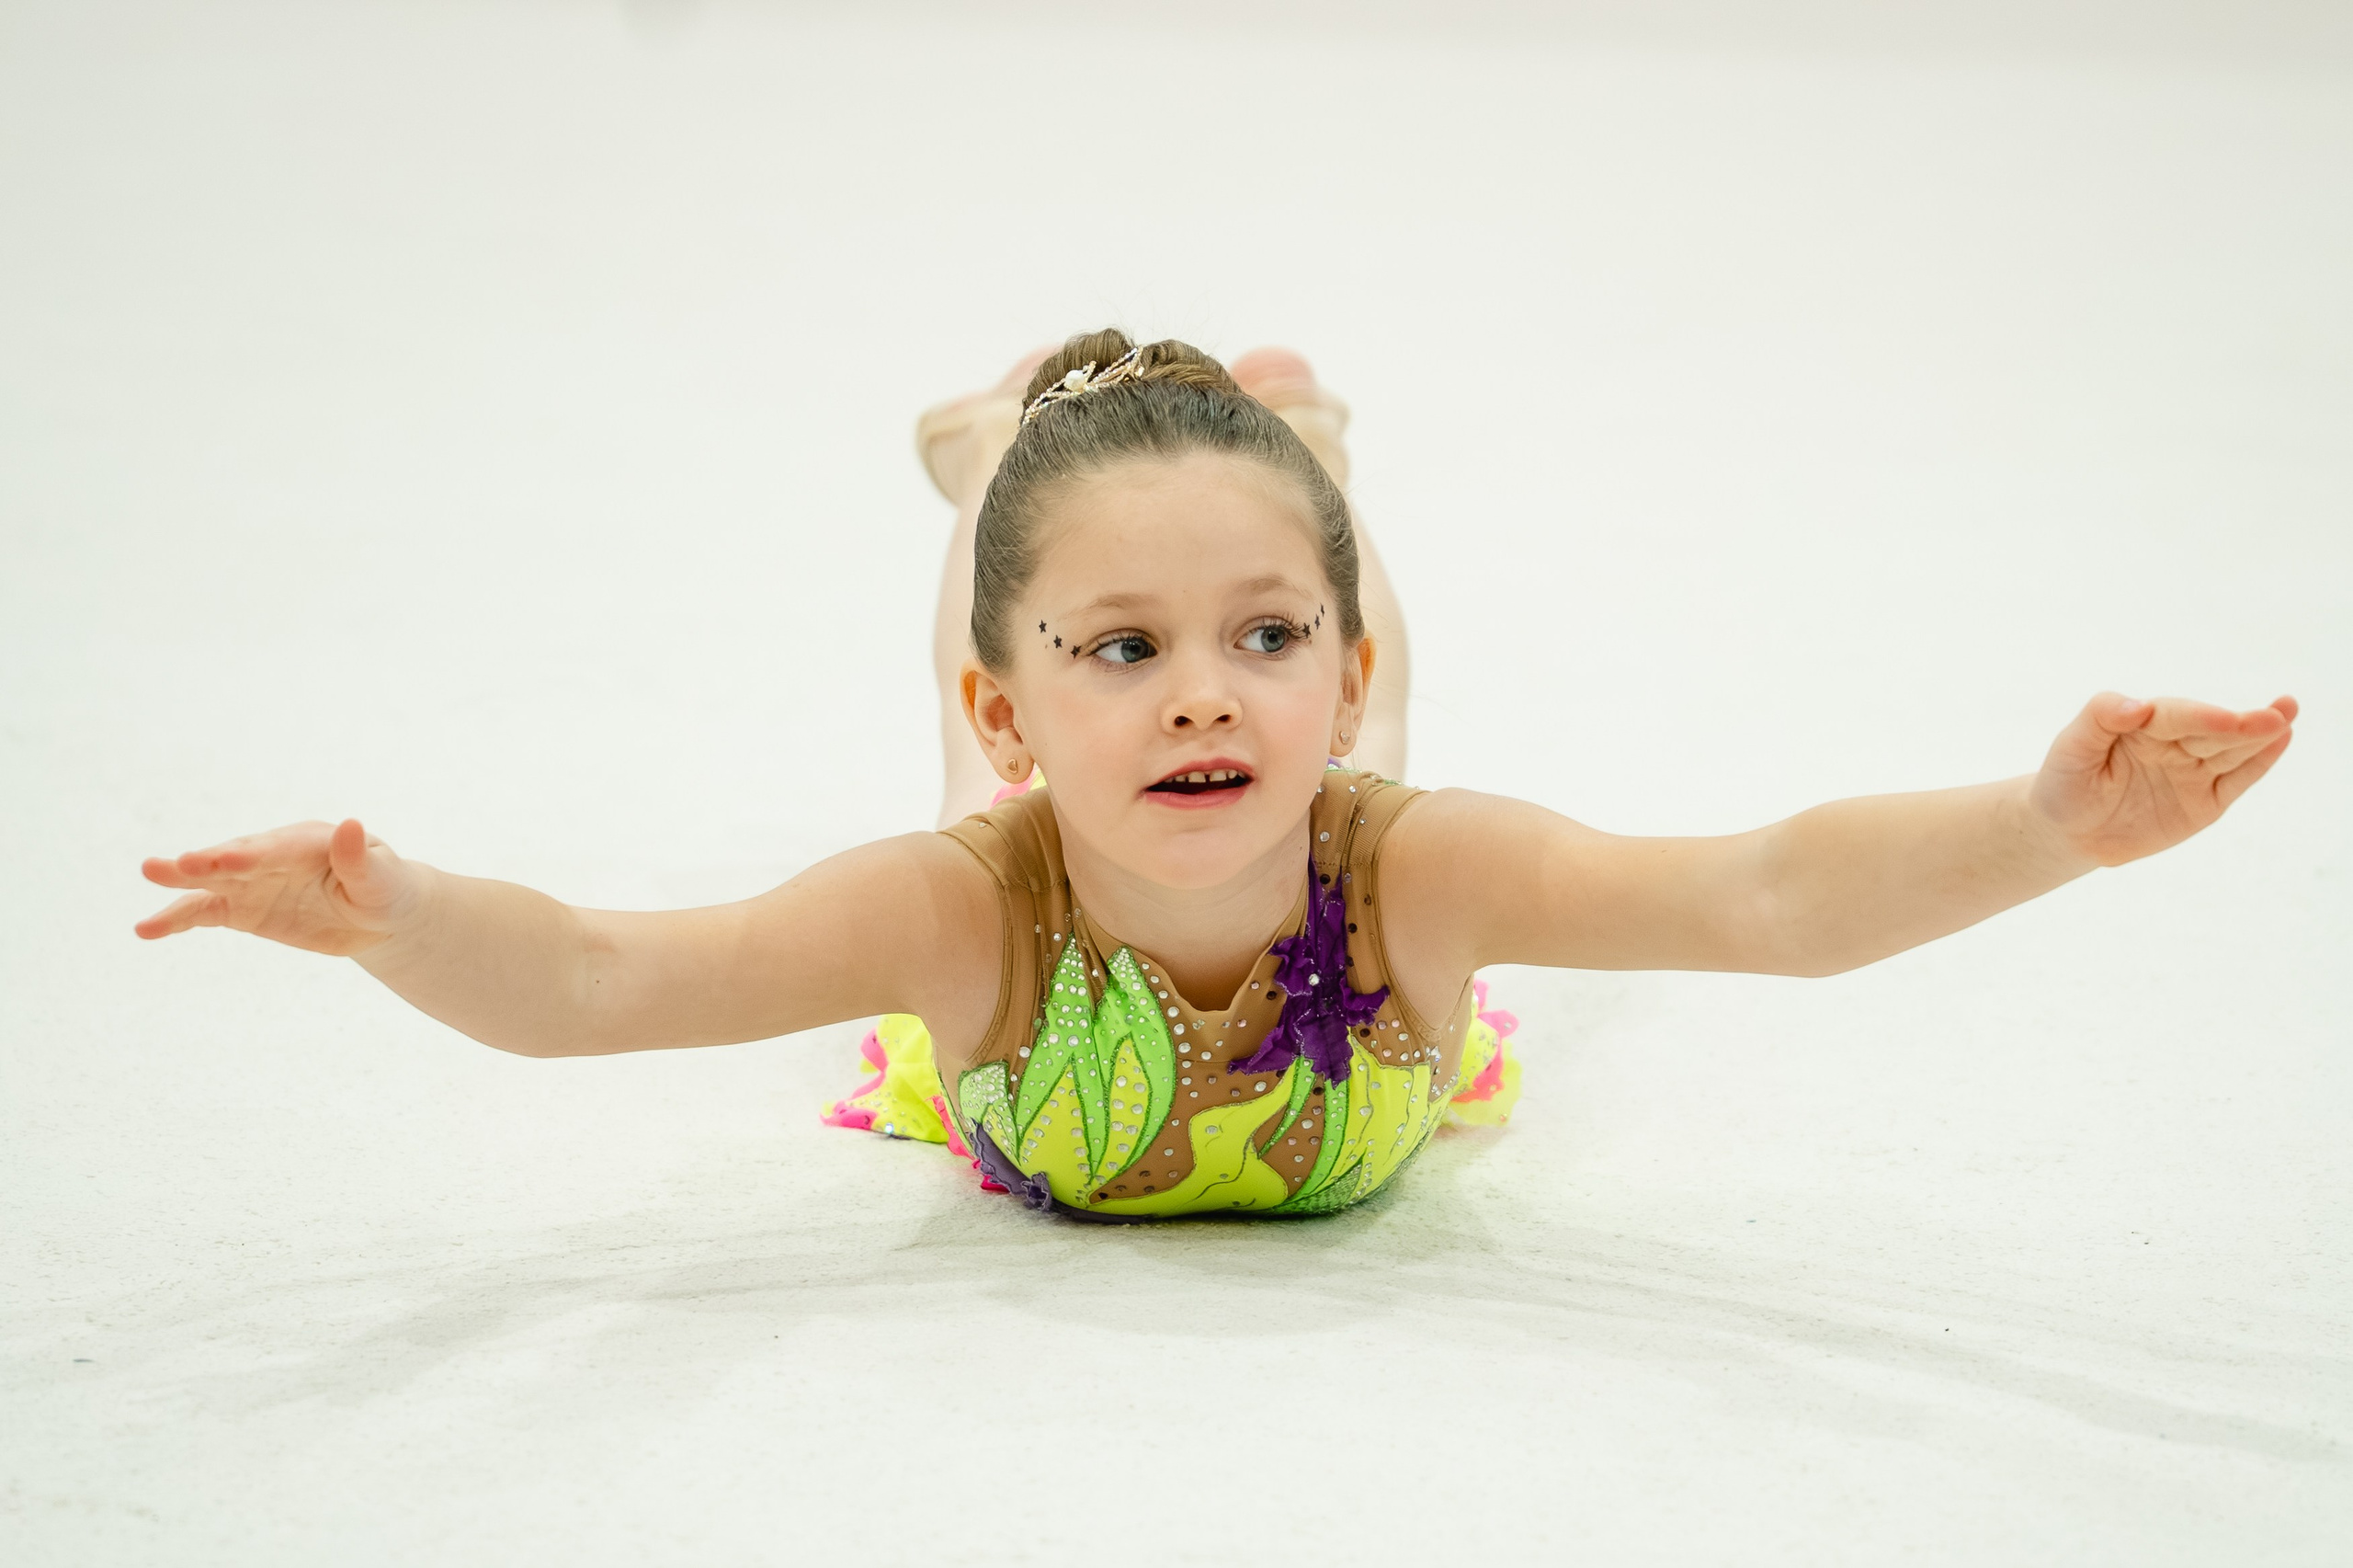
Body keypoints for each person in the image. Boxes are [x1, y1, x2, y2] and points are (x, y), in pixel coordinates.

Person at [134, 329, 2299, 1221]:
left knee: (1347, 631)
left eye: (1261, 651)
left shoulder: (1410, 862)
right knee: (1025, 587)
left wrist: (2045, 829)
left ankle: (1298, 460)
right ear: (1017, 718)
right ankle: (1014, 452)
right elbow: (607, 973)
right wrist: (393, 918)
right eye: (1124, 660)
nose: (1205, 701)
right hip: (1023, 825)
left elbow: (1752, 896)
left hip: (1349, 808)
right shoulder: (962, 904)